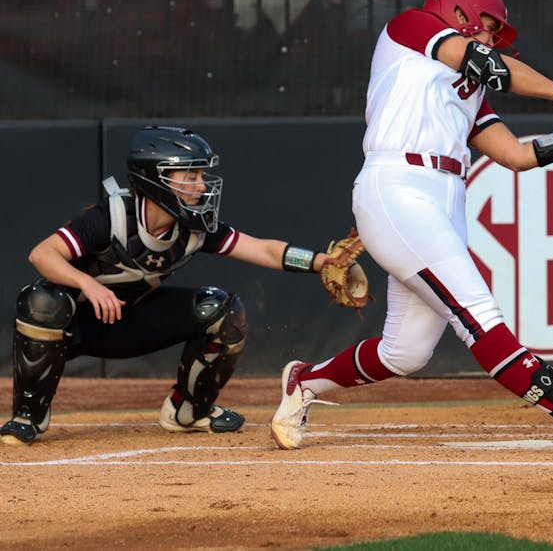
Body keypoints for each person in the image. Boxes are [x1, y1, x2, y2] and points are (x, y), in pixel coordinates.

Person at [270, 0, 553, 454]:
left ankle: (305, 382)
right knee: (478, 317)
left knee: (407, 352)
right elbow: (489, 62)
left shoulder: (468, 89)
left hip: (445, 196)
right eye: (487, 26)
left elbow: (516, 155)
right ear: (459, 12)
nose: (491, 38)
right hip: (398, 187)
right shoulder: (409, 28)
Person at [0, 126, 337, 446]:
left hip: (127, 325)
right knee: (41, 300)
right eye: (191, 176)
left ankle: (188, 412)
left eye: (202, 175)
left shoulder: (195, 227)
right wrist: (87, 284)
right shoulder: (113, 217)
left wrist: (322, 263)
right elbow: (42, 254)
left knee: (221, 309)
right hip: (74, 328)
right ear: (155, 180)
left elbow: (263, 249)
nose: (202, 185)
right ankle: (29, 416)